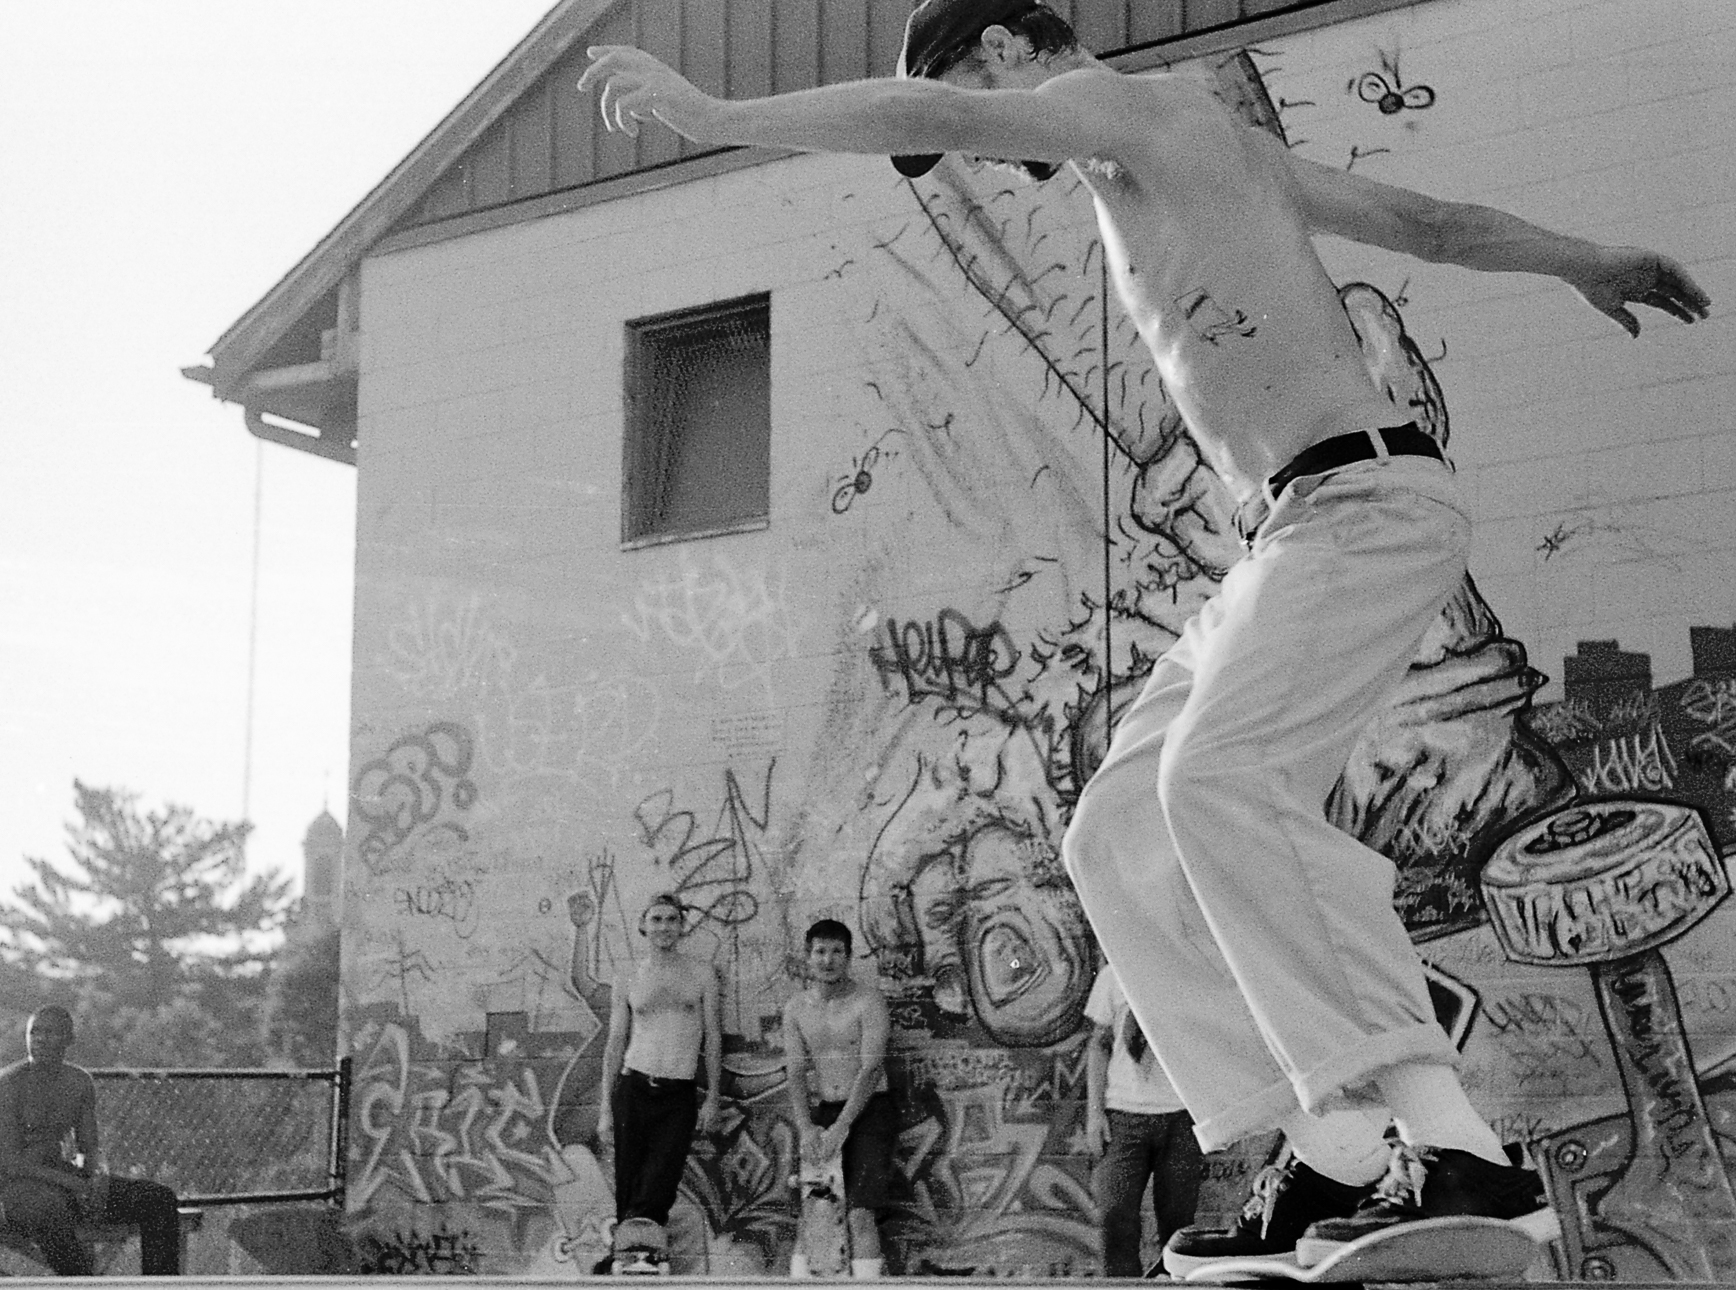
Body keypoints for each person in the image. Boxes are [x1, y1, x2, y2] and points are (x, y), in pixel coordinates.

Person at [580, 2, 1710, 1277]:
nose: (1000, 157)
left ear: (1007, 47)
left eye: (984, 111)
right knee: (1113, 830)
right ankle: (1332, 1148)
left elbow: (934, 110)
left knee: (1217, 781)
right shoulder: (1209, 150)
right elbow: (1431, 225)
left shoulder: (1109, 104)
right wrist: (1583, 259)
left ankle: (1456, 1149)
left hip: (1361, 507)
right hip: (1289, 533)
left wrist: (715, 116)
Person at [0, 1005, 182, 1276]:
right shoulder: (5, 1085)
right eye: (34, 1032)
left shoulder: (78, 1082)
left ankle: (159, 1286)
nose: (40, 1039)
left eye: (50, 1032)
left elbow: (89, 1148)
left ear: (69, 1039)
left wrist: (95, 1180)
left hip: (61, 1181)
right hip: (9, 1190)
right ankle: (83, 1283)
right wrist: (73, 1184)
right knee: (51, 1209)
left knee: (158, 1200)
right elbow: (8, 1164)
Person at [595, 893, 723, 1242]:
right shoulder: (628, 976)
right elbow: (615, 1042)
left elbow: (713, 1037)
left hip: (677, 1093)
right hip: (634, 1087)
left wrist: (713, 1098)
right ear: (643, 925)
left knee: (660, 1181)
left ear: (682, 926)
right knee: (629, 1183)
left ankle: (636, 1251)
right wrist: (605, 1108)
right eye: (656, 919)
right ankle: (632, 1258)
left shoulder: (701, 973)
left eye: (671, 919)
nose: (664, 927)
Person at [782, 918, 893, 1280]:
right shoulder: (796, 1008)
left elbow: (872, 1067)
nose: (827, 960)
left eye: (836, 952)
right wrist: (805, 1127)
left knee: (860, 1213)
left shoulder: (868, 1001)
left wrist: (843, 1125)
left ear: (848, 956)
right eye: (820, 951)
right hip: (824, 1113)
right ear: (808, 956)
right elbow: (796, 1072)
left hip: (870, 1111)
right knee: (814, 1212)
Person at [1083, 965, 1202, 1277]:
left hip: (1181, 1117)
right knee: (1115, 1216)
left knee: (1178, 1225)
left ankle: (1174, 1283)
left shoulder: (1185, 969)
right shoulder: (1114, 975)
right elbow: (1099, 1044)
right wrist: (1094, 1113)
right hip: (1122, 1115)